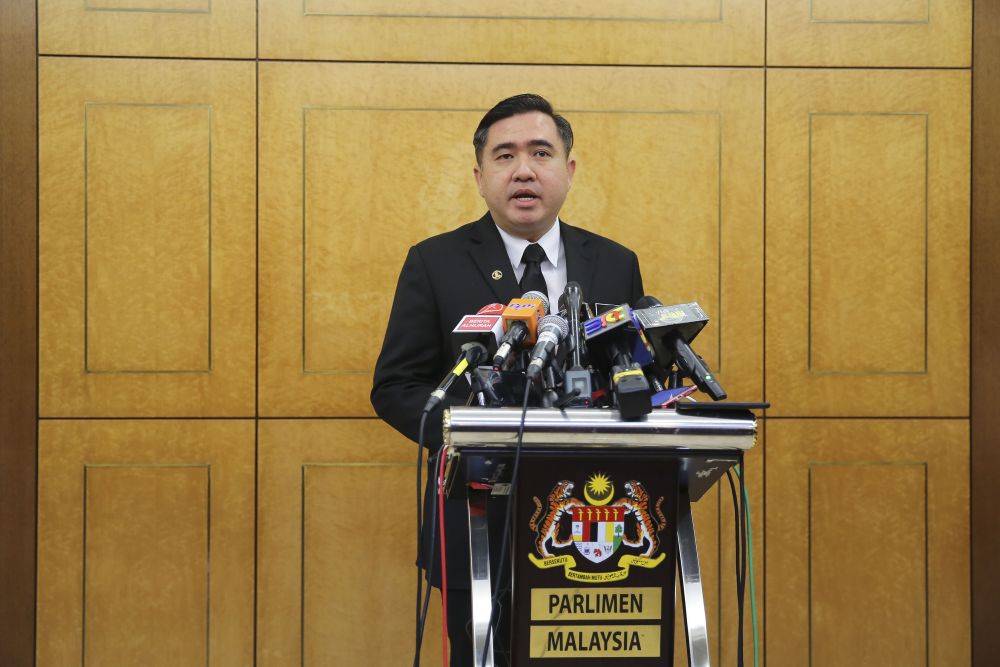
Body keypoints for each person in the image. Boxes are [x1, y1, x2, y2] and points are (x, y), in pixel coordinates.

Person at [371, 93, 645, 666]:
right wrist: (469, 437)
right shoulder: (435, 261)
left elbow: (631, 373)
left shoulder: (616, 262)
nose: (524, 169)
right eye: (505, 155)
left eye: (541, 152)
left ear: (568, 170)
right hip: (476, 514)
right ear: (480, 176)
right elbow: (396, 386)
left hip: (595, 516)